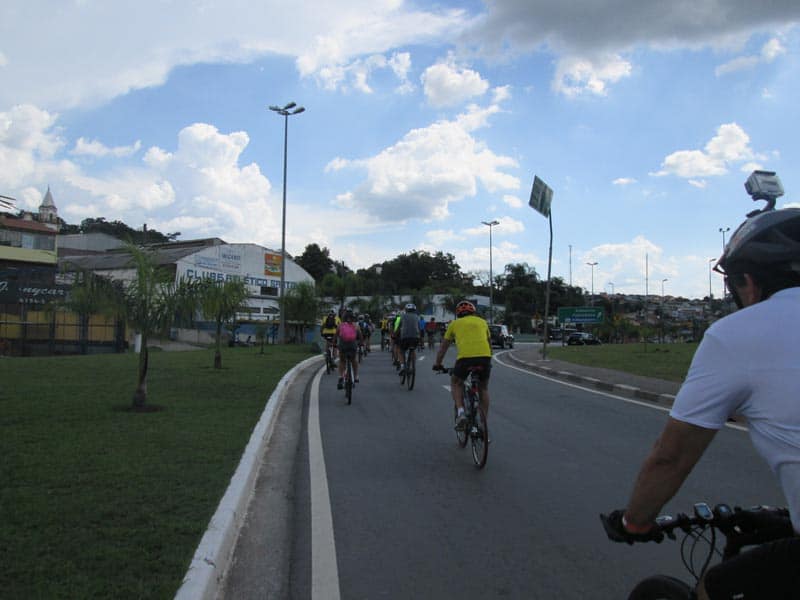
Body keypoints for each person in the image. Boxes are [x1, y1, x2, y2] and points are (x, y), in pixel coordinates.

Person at [602, 205, 800, 599]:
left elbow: (671, 457)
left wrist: (635, 521)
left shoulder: (737, 334)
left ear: (748, 281)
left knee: (715, 587)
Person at [432, 300, 492, 431]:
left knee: (456, 382)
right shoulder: (482, 322)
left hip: (465, 359)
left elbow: (443, 347)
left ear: (458, 314)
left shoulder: (454, 324)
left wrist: (438, 363)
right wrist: (488, 359)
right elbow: (489, 343)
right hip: (485, 358)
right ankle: (483, 424)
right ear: (473, 312)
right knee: (483, 388)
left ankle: (461, 413)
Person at [336, 310, 363, 389]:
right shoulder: (356, 326)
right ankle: (356, 376)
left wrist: (334, 344)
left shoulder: (340, 325)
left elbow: (335, 336)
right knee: (354, 360)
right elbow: (360, 336)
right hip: (352, 346)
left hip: (343, 346)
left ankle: (341, 376)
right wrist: (361, 343)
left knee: (342, 360)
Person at [396, 303, 420, 376]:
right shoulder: (417, 317)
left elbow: (399, 327)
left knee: (400, 350)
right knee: (413, 350)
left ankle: (403, 367)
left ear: (406, 310)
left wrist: (395, 334)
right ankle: (413, 366)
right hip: (415, 338)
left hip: (405, 338)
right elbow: (419, 328)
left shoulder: (402, 316)